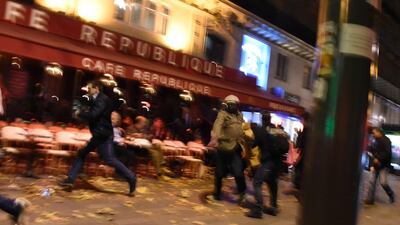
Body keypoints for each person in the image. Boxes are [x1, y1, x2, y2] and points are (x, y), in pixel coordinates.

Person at [59, 80, 136, 196]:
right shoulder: (97, 99)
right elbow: (94, 115)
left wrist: (80, 113)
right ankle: (131, 177)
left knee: (81, 154)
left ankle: (70, 180)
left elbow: (94, 114)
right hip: (104, 134)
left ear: (96, 88)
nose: (88, 90)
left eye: (89, 88)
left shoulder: (102, 99)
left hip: (101, 134)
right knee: (109, 159)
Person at [246, 112, 285, 219]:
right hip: (278, 164)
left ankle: (258, 210)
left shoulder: (261, 130)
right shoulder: (277, 130)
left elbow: (254, 144)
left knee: (257, 182)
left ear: (262, 119)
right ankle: (273, 208)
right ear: (270, 119)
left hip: (268, 162)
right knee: (272, 183)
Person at [211, 95, 246, 204]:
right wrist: (216, 135)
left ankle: (242, 194)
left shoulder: (240, 115)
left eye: (235, 104)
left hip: (235, 148)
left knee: (239, 173)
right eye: (231, 104)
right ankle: (216, 194)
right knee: (219, 173)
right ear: (227, 104)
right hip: (223, 149)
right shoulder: (222, 114)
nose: (233, 107)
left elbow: (243, 129)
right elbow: (217, 125)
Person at [365, 128, 396, 205]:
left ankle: (391, 194)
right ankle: (370, 199)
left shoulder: (386, 141)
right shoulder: (374, 141)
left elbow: (388, 153)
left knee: (383, 182)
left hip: (384, 166)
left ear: (379, 133)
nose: (373, 134)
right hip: (376, 165)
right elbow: (371, 153)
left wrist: (379, 159)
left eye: (374, 133)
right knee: (371, 182)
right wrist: (371, 165)